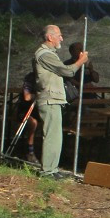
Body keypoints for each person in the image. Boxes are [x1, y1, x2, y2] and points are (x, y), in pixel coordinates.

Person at [34, 25, 88, 178]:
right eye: (59, 35)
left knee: (56, 135)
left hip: (53, 99)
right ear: (50, 37)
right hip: (49, 99)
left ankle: (52, 169)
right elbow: (67, 71)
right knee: (52, 135)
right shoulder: (45, 54)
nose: (62, 38)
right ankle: (48, 171)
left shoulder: (49, 54)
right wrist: (81, 61)